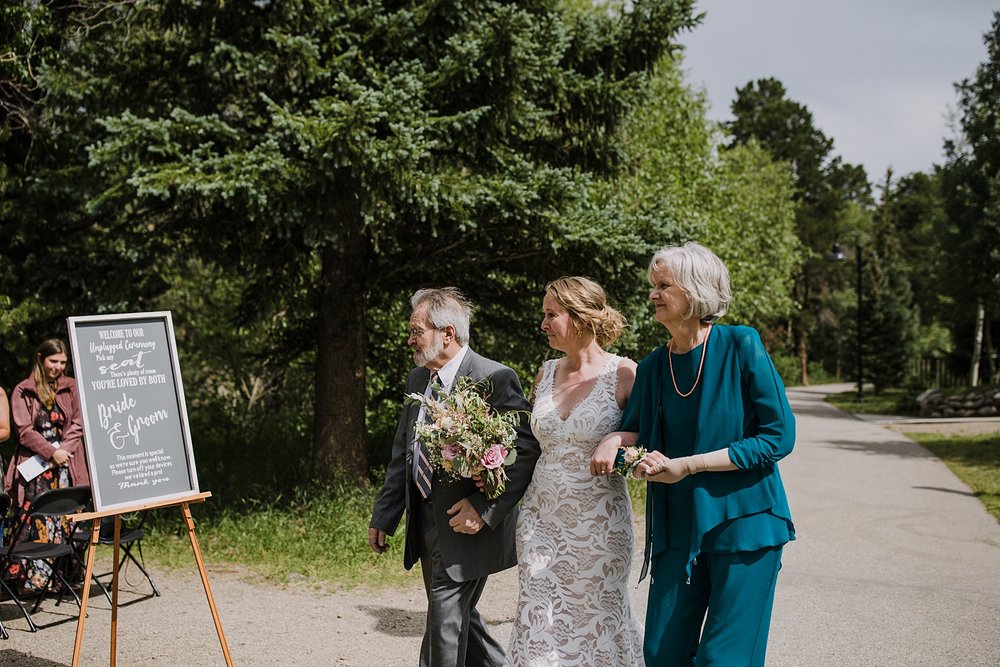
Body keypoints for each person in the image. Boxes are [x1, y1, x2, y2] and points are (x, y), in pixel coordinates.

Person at [594, 242, 795, 667]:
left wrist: (690, 464)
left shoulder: (741, 345)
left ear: (695, 290)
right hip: (677, 529)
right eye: (653, 285)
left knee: (724, 658)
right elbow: (639, 435)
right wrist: (617, 443)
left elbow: (778, 437)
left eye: (663, 285)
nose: (653, 294)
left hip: (746, 524)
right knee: (661, 654)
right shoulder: (651, 367)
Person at [368, 287, 541, 667]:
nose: (410, 339)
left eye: (417, 331)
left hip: (468, 526)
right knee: (457, 617)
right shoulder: (419, 379)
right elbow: (404, 453)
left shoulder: (494, 377)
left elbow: (525, 451)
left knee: (443, 624)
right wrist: (385, 515)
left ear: (447, 333)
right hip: (426, 522)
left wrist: (483, 508)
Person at [504, 276, 643, 666]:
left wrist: (616, 438)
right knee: (539, 615)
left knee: (596, 617)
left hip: (599, 524)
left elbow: (652, 436)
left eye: (552, 314)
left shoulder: (625, 373)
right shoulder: (545, 372)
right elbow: (530, 444)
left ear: (581, 317)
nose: (543, 324)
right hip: (540, 519)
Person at [4, 339, 91, 591]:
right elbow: (23, 431)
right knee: (38, 519)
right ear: (41, 358)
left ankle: (67, 577)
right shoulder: (23, 390)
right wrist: (51, 452)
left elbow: (78, 423)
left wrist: (63, 451)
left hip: (67, 464)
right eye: (54, 361)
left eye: (63, 362)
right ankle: (36, 581)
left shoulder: (71, 387)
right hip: (37, 465)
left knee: (67, 519)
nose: (58, 367)